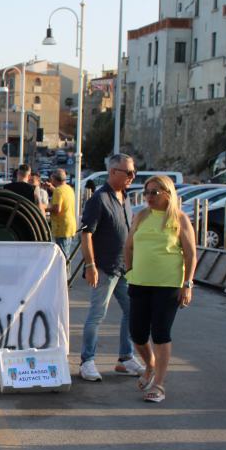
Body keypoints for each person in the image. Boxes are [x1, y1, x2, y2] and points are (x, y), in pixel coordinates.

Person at [124, 175, 196, 403]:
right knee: (137, 333)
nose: (148, 197)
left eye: (154, 192)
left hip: (168, 285)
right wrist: (129, 272)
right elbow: (128, 246)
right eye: (146, 193)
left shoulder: (180, 219)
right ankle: (150, 365)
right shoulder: (141, 216)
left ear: (168, 193)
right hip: (140, 282)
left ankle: (159, 384)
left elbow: (190, 254)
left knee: (161, 333)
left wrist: (188, 284)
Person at [78, 153, 146, 381]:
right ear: (112, 172)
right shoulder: (99, 199)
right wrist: (90, 265)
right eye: (128, 172)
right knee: (97, 314)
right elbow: (86, 234)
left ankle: (125, 358)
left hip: (124, 268)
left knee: (132, 311)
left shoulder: (124, 197)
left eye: (133, 172)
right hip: (105, 268)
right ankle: (87, 361)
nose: (132, 176)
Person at [47, 169, 76, 261]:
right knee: (66, 254)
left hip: (61, 227)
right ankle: (66, 274)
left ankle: (66, 275)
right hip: (70, 226)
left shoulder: (58, 191)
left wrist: (43, 207)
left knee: (63, 257)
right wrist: (52, 188)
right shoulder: (68, 188)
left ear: (54, 179)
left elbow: (57, 209)